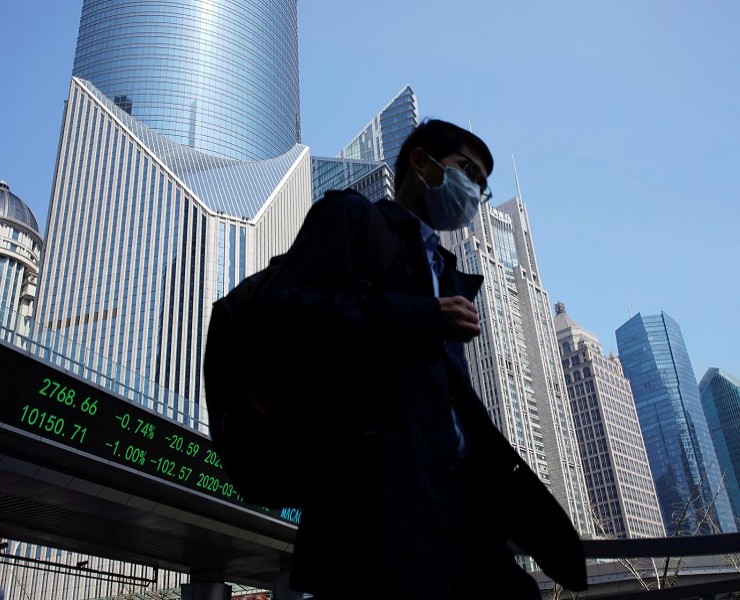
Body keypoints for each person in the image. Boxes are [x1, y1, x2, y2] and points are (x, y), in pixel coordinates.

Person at [252, 119, 588, 599]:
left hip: (454, 501)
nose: (474, 191)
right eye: (466, 171)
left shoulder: (446, 272)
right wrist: (420, 315)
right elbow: (286, 313)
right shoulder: (350, 217)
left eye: (483, 186)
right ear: (421, 163)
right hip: (376, 508)